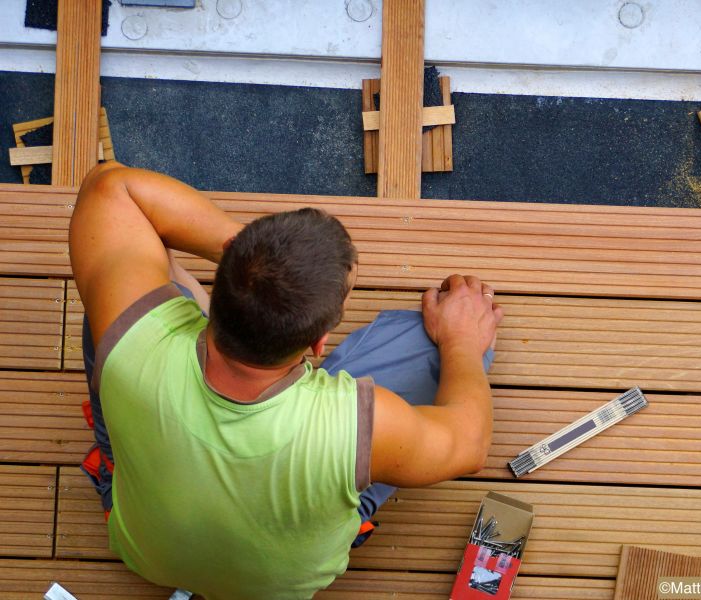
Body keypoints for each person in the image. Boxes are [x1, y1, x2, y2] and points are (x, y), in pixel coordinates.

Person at [69, 161, 503, 599]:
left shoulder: (137, 337)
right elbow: (468, 446)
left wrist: (255, 265)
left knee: (119, 277)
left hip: (148, 551)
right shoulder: (357, 427)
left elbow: (110, 186)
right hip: (270, 588)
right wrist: (462, 342)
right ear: (318, 344)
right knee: (433, 344)